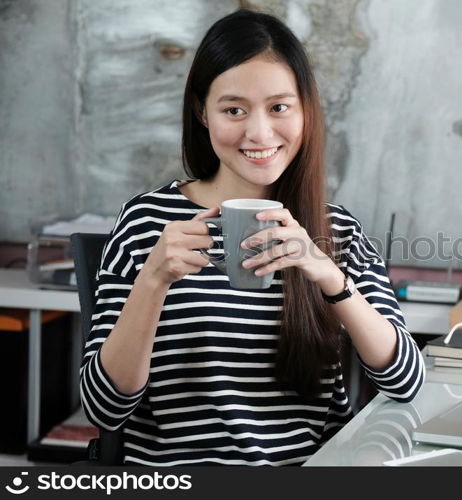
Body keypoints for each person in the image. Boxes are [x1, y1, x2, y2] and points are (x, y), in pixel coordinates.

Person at [80, 8, 424, 466]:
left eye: (279, 107)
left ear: (305, 110)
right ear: (202, 112)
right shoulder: (148, 221)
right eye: (234, 110)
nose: (259, 133)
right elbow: (104, 408)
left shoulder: (335, 228)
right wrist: (153, 281)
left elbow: (405, 382)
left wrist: (330, 278)